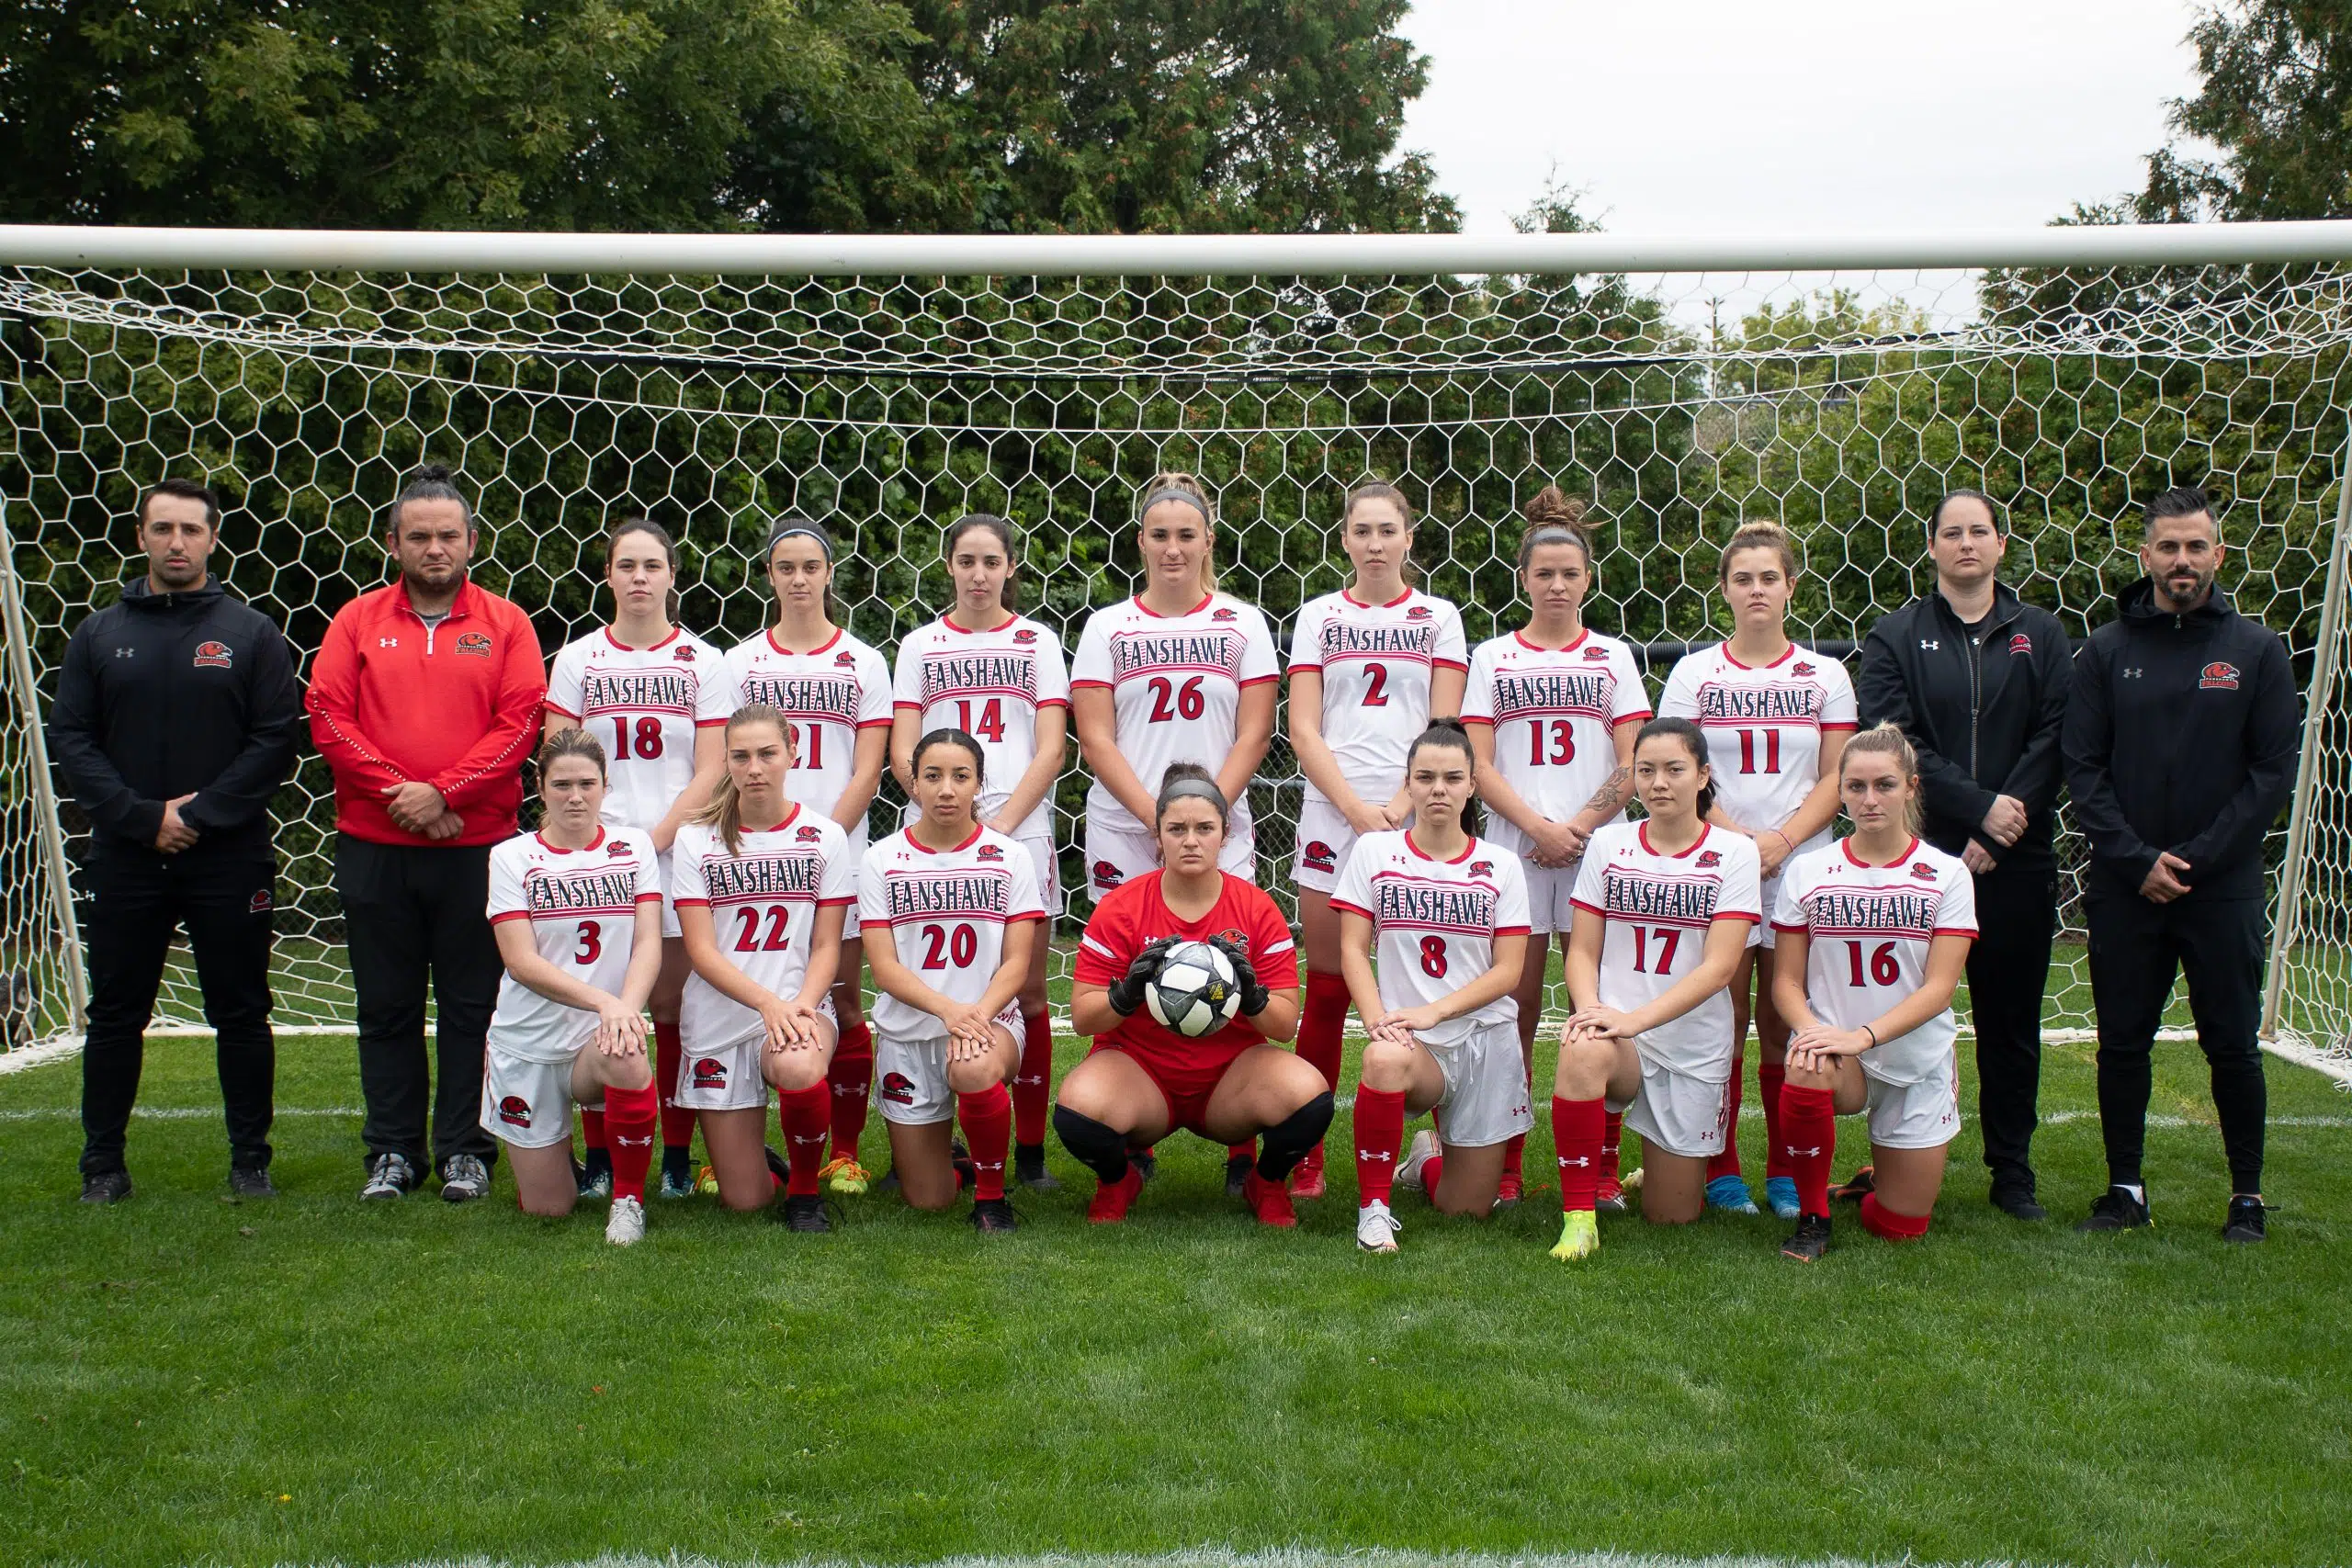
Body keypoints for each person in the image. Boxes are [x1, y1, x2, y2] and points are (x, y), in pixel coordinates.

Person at [50, 478, 302, 1202]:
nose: (177, 543)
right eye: (163, 529)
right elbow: (71, 735)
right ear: (141, 537)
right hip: (127, 853)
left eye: (191, 529)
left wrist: (199, 813)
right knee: (117, 1012)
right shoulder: (99, 634)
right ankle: (102, 1164)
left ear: (213, 538)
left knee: (242, 1009)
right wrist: (138, 816)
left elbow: (276, 739)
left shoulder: (250, 632)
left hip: (229, 853)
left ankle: (251, 1160)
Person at [2063, 484, 2299, 1243]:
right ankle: (2124, 1187)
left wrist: (2193, 861)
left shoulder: (2257, 651)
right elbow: (2083, 768)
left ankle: (2248, 1197)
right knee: (2122, 1040)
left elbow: (2271, 774)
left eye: (2196, 546)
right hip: (2127, 887)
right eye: (2168, 546)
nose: (2182, 560)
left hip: (2220, 887)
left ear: (2219, 555)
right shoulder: (2104, 651)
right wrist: (2137, 860)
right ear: (2145, 556)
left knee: (2231, 1040)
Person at [307, 464, 547, 1203]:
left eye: (448, 535)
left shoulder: (507, 623)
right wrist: (403, 795)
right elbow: (327, 717)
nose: (434, 548)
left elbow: (520, 727)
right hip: (376, 847)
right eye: (420, 536)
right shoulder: (355, 621)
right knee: (387, 1006)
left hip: (478, 850)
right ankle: (392, 1152)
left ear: (472, 540)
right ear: (394, 542)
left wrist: (443, 791)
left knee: (474, 1006)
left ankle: (466, 1151)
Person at [1857, 489, 2072, 1220]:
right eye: (1952, 532)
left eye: (1979, 530)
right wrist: (1976, 809)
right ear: (1933, 546)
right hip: (1922, 860)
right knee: (1907, 1011)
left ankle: (2013, 1170)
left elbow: (2057, 734)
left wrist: (2003, 821)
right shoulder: (1895, 634)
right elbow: (1895, 738)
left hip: (2018, 859)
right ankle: (1894, 1150)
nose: (1966, 543)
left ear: (2001, 544)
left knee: (2010, 1022)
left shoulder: (2041, 633)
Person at [1070, 472, 1280, 1195]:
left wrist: (1201, 816)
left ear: (1207, 541)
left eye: (1186, 534)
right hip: (1125, 826)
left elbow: (1256, 731)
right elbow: (1096, 739)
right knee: (1122, 975)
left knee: (1232, 973)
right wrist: (1156, 822)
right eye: (1159, 534)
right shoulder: (1107, 626)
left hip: (1216, 821)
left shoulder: (1242, 622)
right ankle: (1125, 1133)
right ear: (1140, 542)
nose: (1172, 547)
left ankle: (1242, 1141)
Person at [1660, 520, 1855, 1219]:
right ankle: (1720, 1167)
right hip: (1715, 864)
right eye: (1742, 578)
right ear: (1724, 590)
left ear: (1791, 587)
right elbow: (1676, 772)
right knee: (1718, 1014)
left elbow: (1838, 775)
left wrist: (1783, 840)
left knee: (1784, 1019)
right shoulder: (1695, 672)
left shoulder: (1825, 674)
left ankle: (1784, 1171)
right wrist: (1743, 842)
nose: (1756, 589)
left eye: (1769, 576)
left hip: (1801, 868)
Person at [1463, 487, 1650, 1207]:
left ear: (1588, 578)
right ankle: (1507, 1166)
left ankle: (1602, 1170)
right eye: (1544, 573)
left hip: (1595, 854)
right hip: (1513, 853)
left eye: (1569, 573)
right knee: (1511, 1010)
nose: (1557, 584)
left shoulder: (1611, 656)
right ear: (1524, 579)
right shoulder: (1493, 656)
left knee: (1594, 1007)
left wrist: (1578, 826)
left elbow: (1634, 761)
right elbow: (1478, 762)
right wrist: (1540, 829)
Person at [1287, 479, 1467, 1201]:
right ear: (1344, 538)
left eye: (1386, 530)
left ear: (1409, 537)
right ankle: (1304, 1155)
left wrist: (1397, 805)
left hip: (1417, 815)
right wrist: (1357, 810)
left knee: (1432, 981)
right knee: (1328, 986)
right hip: (1336, 818)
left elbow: (1444, 727)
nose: (1374, 543)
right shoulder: (1319, 615)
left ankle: (1449, 1140)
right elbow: (1303, 728)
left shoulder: (1438, 616)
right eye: (1361, 530)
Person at [543, 517, 730, 1201]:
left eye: (653, 565)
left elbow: (713, 768)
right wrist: (601, 844)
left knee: (676, 1006)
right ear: (609, 574)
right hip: (593, 857)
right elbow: (560, 761)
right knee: (602, 1007)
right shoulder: (578, 659)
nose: (640, 577)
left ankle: (676, 1158)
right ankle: (600, 1158)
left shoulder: (703, 662)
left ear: (672, 575)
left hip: (674, 852)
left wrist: (650, 842)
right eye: (627, 565)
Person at [1056, 764, 1322, 1226]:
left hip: (1229, 1080)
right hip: (1141, 1073)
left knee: (1308, 1096)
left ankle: (1268, 1182)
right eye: (1176, 829)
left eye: (1204, 828)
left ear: (1226, 834)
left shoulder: (1257, 910)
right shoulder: (1120, 907)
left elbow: (1284, 1026)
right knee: (1078, 1111)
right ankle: (1118, 1181)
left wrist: (1253, 997)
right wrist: (1125, 996)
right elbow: (1082, 1017)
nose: (1191, 840)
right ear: (1157, 837)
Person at [889, 514, 1069, 1192]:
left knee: (1023, 991)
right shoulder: (920, 644)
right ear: (949, 565)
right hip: (932, 834)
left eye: (991, 560)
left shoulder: (1037, 641)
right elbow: (904, 744)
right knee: (931, 982)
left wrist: (996, 827)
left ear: (1010, 568)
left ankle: (1027, 1153)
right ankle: (928, 1136)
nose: (978, 573)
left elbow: (1052, 747)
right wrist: (946, 804)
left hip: (1016, 835)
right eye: (966, 560)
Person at [1549, 718, 1762, 1260]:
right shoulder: (1609, 844)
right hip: (1620, 1040)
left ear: (1703, 776)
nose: (1659, 782)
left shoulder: (1736, 854)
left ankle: (1660, 1164)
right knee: (1580, 1044)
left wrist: (1636, 1019)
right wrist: (1594, 1009)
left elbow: (1719, 968)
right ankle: (1579, 1220)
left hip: (1689, 1044)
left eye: (1674, 769)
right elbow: (1582, 951)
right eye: (1646, 770)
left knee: (1673, 1217)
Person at [721, 520, 891, 1195]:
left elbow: (868, 768)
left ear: (829, 573)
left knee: (842, 1006)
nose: (798, 578)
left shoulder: (863, 662)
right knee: (746, 1001)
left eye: (810, 566)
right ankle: (734, 1146)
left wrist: (817, 842)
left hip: (834, 853)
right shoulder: (739, 663)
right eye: (785, 567)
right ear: (769, 575)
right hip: (752, 859)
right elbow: (726, 761)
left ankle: (843, 1152)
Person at [1768, 724, 1978, 1262]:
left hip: (1913, 1058)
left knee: (1897, 1227)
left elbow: (1939, 988)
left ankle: (1870, 1184)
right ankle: (1814, 1217)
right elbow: (1786, 981)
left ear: (1910, 786)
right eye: (1855, 786)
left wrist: (1865, 1035)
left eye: (1884, 785)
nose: (1869, 799)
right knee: (1804, 1062)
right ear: (1839, 791)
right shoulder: (1809, 871)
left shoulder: (1946, 875)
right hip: (1840, 1053)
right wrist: (1813, 1032)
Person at [1338, 721, 1531, 1253]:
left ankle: (1424, 1158)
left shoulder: (1501, 865)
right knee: (1381, 1060)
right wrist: (1379, 1019)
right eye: (1425, 777)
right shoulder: (1375, 853)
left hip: (1483, 1037)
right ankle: (1373, 1212)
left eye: (1452, 777)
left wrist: (1437, 1011)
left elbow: (1509, 971)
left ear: (1472, 785)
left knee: (1466, 1208)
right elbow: (1353, 947)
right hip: (1411, 1044)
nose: (1438, 789)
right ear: (1409, 784)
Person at [671, 704, 859, 1230]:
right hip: (721, 1014)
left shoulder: (824, 837)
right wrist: (766, 1003)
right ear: (726, 761)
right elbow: (702, 951)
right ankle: (767, 1166)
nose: (755, 767)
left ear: (792, 755)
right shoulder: (696, 839)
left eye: (767, 754)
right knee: (745, 1201)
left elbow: (827, 947)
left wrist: (798, 1004)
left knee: (799, 1066)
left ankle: (803, 1192)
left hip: (798, 1005)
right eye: (741, 756)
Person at [481, 732, 666, 1245]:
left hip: (596, 1041)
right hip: (529, 1042)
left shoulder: (634, 848)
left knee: (628, 1050)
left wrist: (625, 1009)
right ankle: (556, 1152)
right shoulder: (510, 858)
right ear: (540, 789)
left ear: (606, 786)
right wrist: (606, 1002)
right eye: (561, 784)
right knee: (548, 1209)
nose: (575, 796)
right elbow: (519, 962)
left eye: (587, 783)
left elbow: (648, 941)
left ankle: (628, 1201)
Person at [861, 728, 1049, 1233]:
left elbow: (1016, 963)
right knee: (928, 1201)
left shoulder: (1009, 857)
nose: (947, 789)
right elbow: (883, 968)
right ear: (914, 785)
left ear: (979, 785)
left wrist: (976, 1017)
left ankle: (990, 1198)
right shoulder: (882, 858)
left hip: (988, 1023)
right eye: (933, 776)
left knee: (971, 1066)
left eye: (960, 776)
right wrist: (948, 1010)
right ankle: (959, 1162)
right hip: (910, 1031)